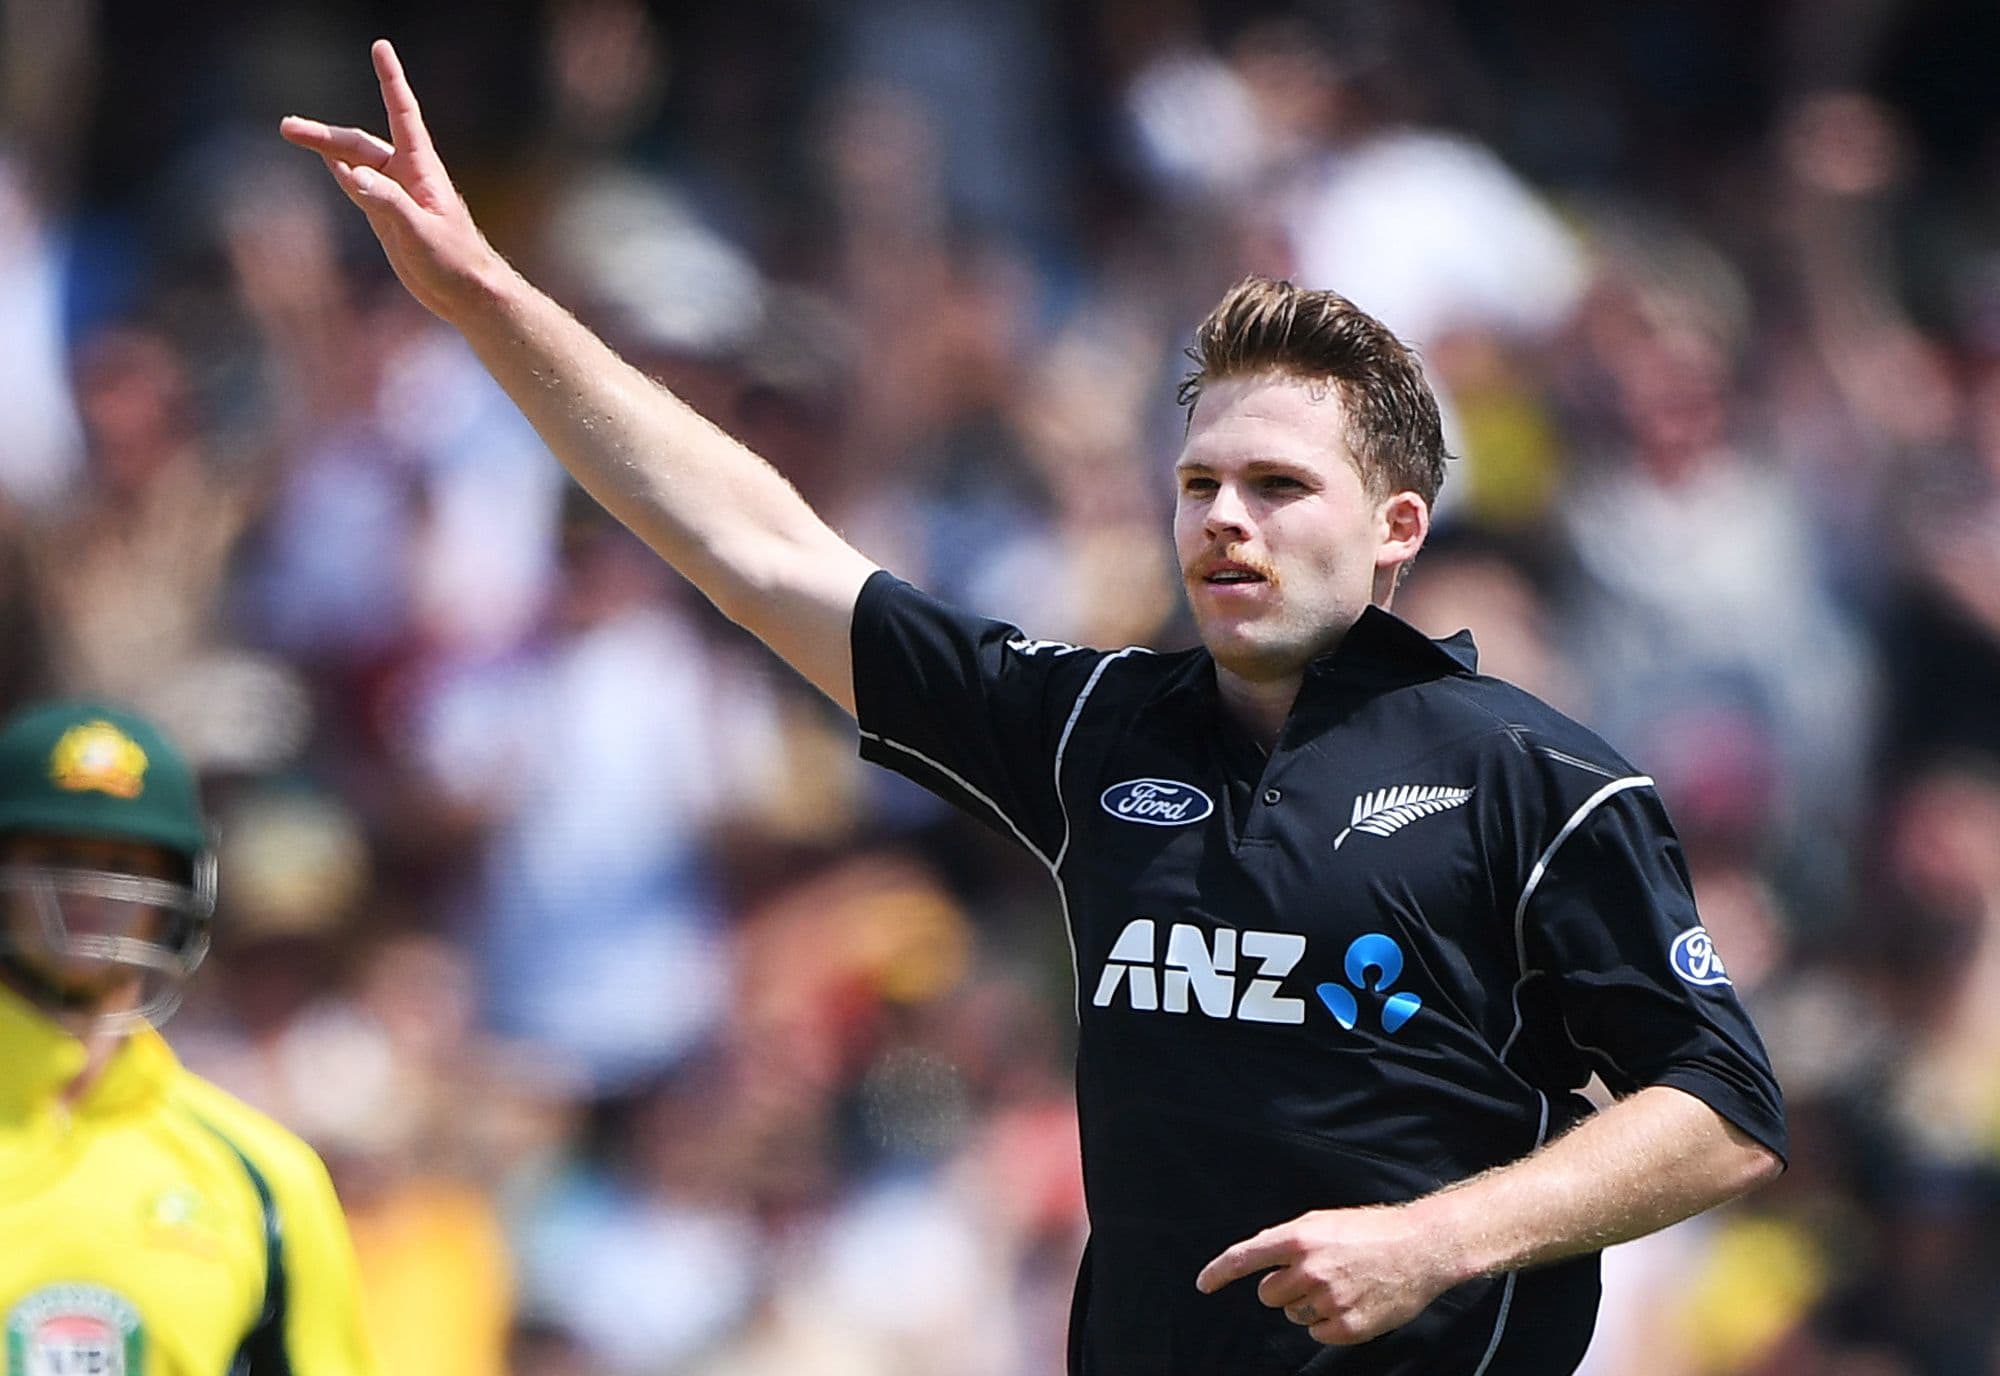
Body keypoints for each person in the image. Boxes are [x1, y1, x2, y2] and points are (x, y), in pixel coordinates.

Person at [282, 42, 1785, 1375]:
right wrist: (483, 295)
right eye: (1199, 484)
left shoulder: (1534, 778)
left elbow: (1721, 1107)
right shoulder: (1097, 730)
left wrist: (1435, 1243)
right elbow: (757, 548)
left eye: (1277, 487)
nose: (1224, 523)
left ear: (1398, 526)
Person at [0, 700, 378, 1376]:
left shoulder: (266, 1180)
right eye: (57, 857)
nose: (93, 891)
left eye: (127, 862)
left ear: (180, 891)